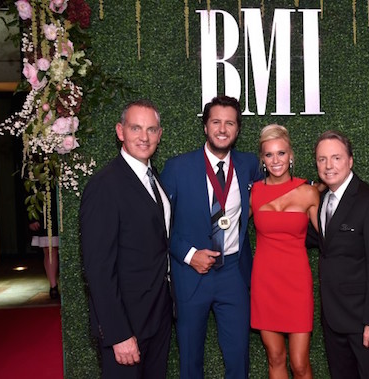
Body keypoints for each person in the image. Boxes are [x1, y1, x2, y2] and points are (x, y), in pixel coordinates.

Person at [160, 95, 262, 379]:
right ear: (205, 126)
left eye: (229, 123)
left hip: (233, 274)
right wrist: (190, 255)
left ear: (238, 129)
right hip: (191, 275)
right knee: (190, 360)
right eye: (216, 121)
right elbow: (158, 225)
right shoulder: (177, 168)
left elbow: (270, 198)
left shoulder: (249, 165)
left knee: (238, 358)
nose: (222, 128)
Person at [80, 99, 172, 379]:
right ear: (120, 131)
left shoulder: (152, 176)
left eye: (151, 129)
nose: (144, 137)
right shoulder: (104, 186)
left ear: (160, 134)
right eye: (136, 128)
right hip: (126, 325)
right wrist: (118, 334)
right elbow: (98, 269)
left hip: (157, 317)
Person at [310, 130, 369, 379]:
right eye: (322, 159)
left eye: (336, 158)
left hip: (364, 321)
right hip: (333, 319)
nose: (328, 166)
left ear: (350, 161)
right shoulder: (323, 199)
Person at [250, 124, 319, 379]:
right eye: (269, 155)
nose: (275, 160)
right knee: (275, 357)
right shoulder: (254, 192)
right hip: (265, 283)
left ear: (291, 156)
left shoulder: (308, 192)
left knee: (300, 363)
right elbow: (226, 226)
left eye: (281, 153)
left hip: (297, 283)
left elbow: (330, 238)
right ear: (262, 159)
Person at [29, 195, 60, 299]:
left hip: (61, 207)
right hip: (44, 211)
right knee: (50, 249)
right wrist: (32, 217)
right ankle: (53, 286)